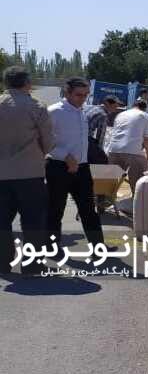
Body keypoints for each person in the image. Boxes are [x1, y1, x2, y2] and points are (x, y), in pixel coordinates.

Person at [0, 66, 53, 275]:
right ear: (27, 83)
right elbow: (48, 143)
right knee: (33, 222)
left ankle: (2, 262)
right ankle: (32, 265)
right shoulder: (37, 106)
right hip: (30, 173)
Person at [46, 77, 107, 252]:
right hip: (58, 167)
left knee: (89, 209)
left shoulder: (82, 111)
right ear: (67, 92)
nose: (82, 99)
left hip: (82, 168)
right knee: (55, 209)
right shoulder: (55, 111)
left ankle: (98, 248)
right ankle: (51, 248)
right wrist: (65, 156)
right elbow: (45, 140)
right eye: (78, 95)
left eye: (86, 95)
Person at [107, 99, 148, 195]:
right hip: (132, 152)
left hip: (112, 150)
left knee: (110, 183)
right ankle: (137, 203)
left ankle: (105, 200)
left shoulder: (121, 115)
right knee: (141, 183)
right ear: (145, 108)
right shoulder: (146, 116)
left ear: (133, 106)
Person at [85, 95, 121, 164]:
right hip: (85, 139)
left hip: (75, 135)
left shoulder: (89, 107)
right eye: (115, 106)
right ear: (107, 103)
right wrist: (100, 153)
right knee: (102, 160)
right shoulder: (103, 115)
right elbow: (100, 137)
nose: (115, 109)